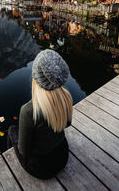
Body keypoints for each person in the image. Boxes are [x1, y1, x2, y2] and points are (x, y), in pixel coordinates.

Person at [7, 49, 73, 179]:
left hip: (40, 167)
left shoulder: (28, 111)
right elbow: (67, 124)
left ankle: (8, 164)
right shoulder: (66, 97)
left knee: (11, 130)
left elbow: (23, 151)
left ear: (36, 78)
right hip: (62, 156)